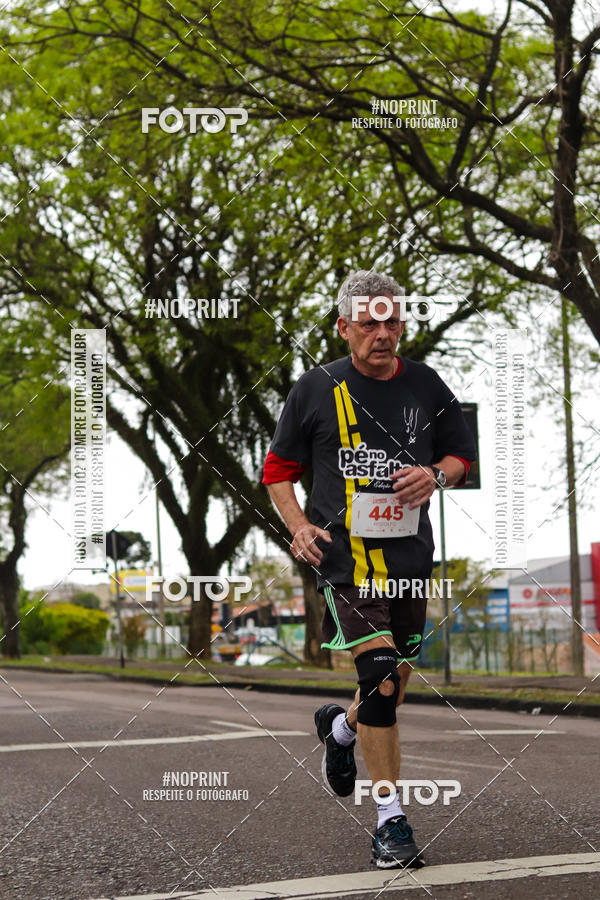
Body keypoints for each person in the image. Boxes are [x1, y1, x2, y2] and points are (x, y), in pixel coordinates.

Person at [262, 270, 476, 869]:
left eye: (391, 322)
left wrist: (437, 474)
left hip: (409, 559)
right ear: (344, 327)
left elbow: (462, 456)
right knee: (381, 676)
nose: (381, 334)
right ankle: (391, 822)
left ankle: (341, 730)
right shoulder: (315, 388)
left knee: (394, 686)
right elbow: (277, 470)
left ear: (402, 324)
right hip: (345, 561)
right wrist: (300, 527)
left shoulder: (428, 386)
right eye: (368, 323)